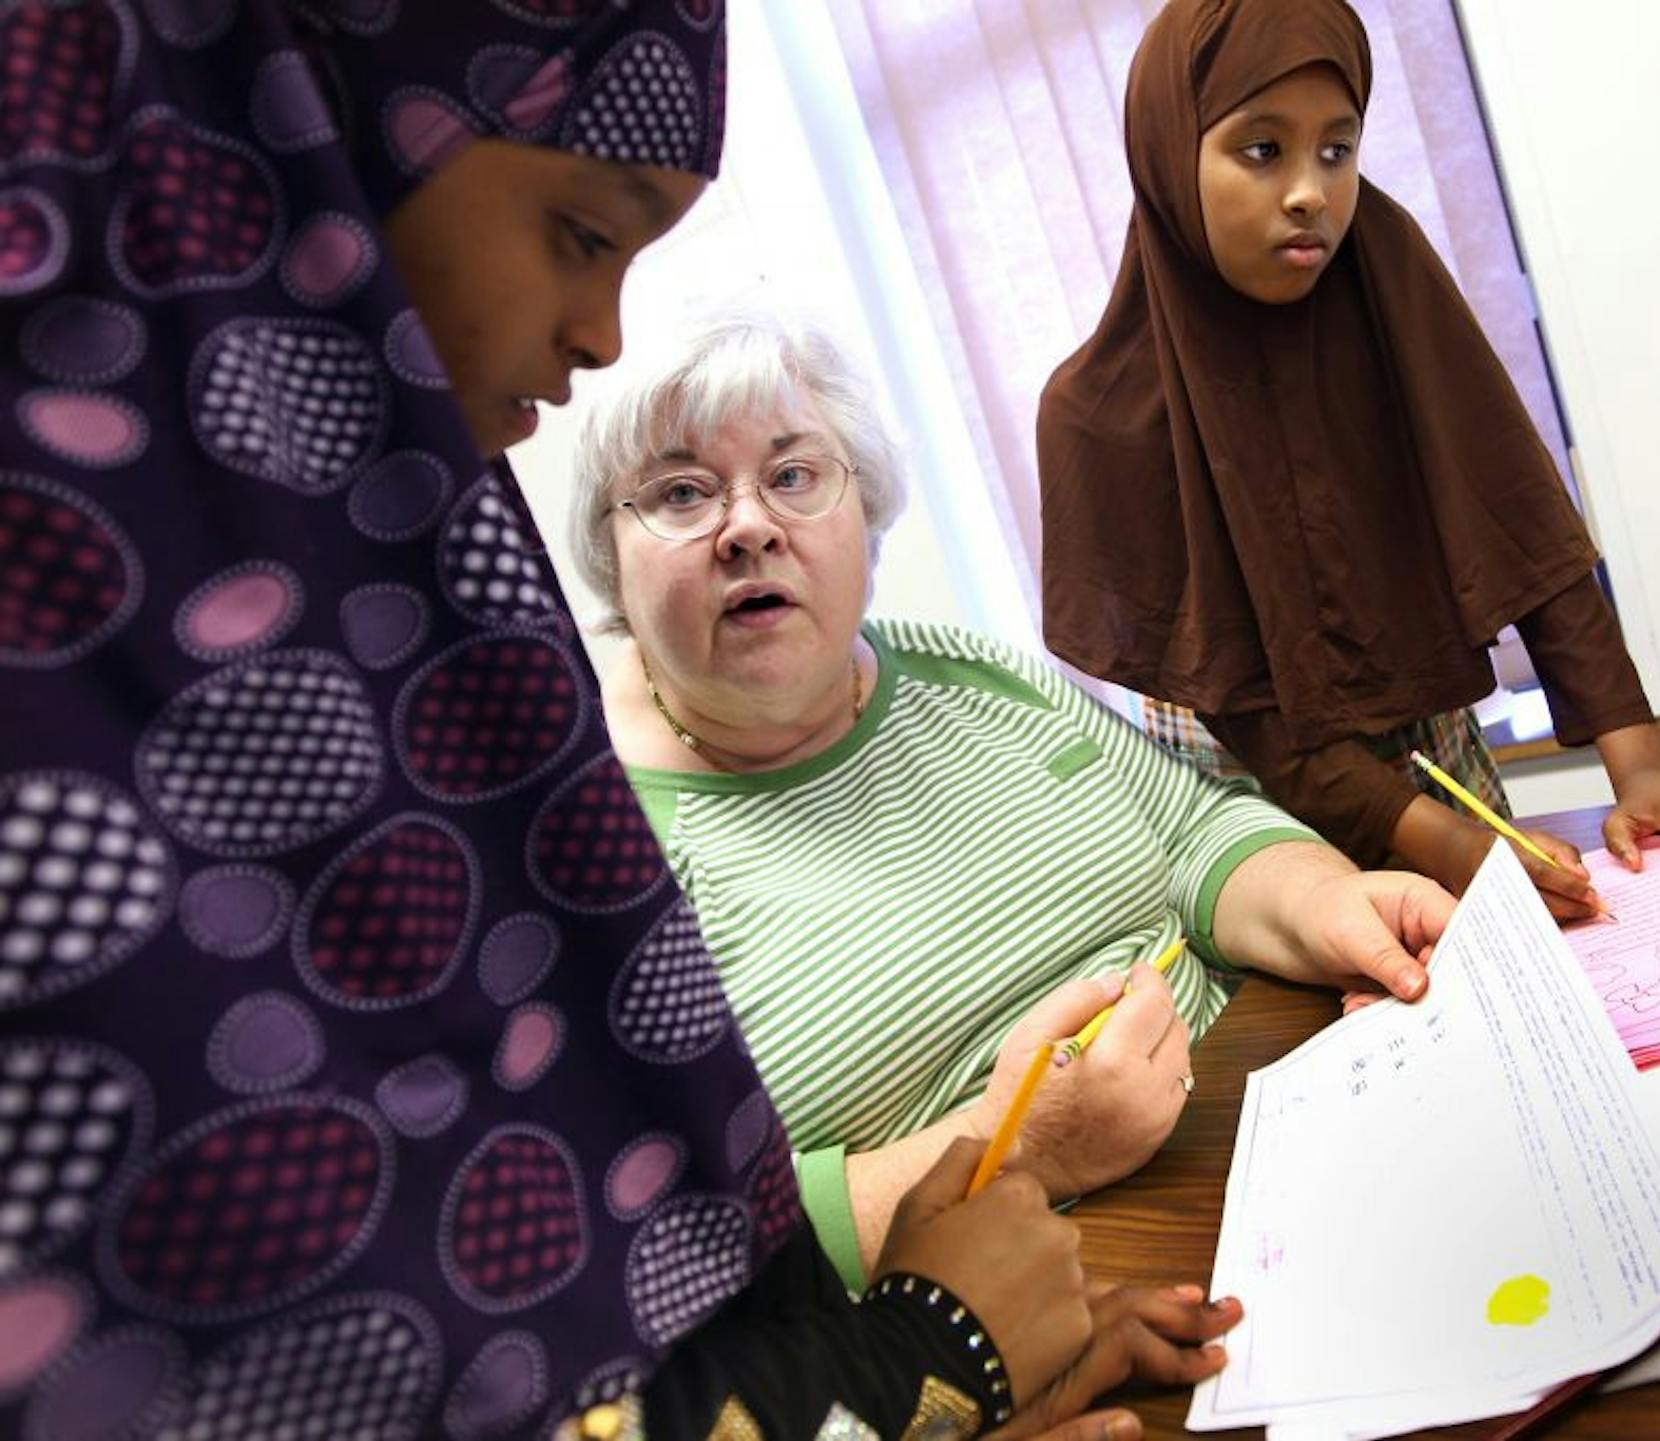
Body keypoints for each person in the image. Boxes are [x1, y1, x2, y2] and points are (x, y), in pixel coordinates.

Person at [0, 6, 1228, 1439]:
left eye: (796, 476)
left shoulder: (382, 600)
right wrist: (925, 1363)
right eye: (587, 234)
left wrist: (957, 1385)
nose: (595, 334)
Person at [570, 311, 1459, 1293]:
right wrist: (1018, 1145)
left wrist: (1327, 901)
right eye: (683, 493)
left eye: (791, 476)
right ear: (610, 557)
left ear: (863, 510)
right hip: (1032, 1318)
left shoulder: (969, 672)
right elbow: (658, 1262)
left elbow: (1198, 829)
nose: (749, 527)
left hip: (1289, 1135)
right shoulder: (585, 862)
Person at [1035, 0, 1660, 926]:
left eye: (1337, 151)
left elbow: (1521, 521)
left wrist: (1642, 765)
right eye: (1263, 151)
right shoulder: (1099, 419)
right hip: (1252, 801)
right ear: (1168, 152)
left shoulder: (1386, 278)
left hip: (1430, 746)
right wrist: (1451, 846)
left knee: (1539, 986)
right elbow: (1247, 708)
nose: (1311, 191)